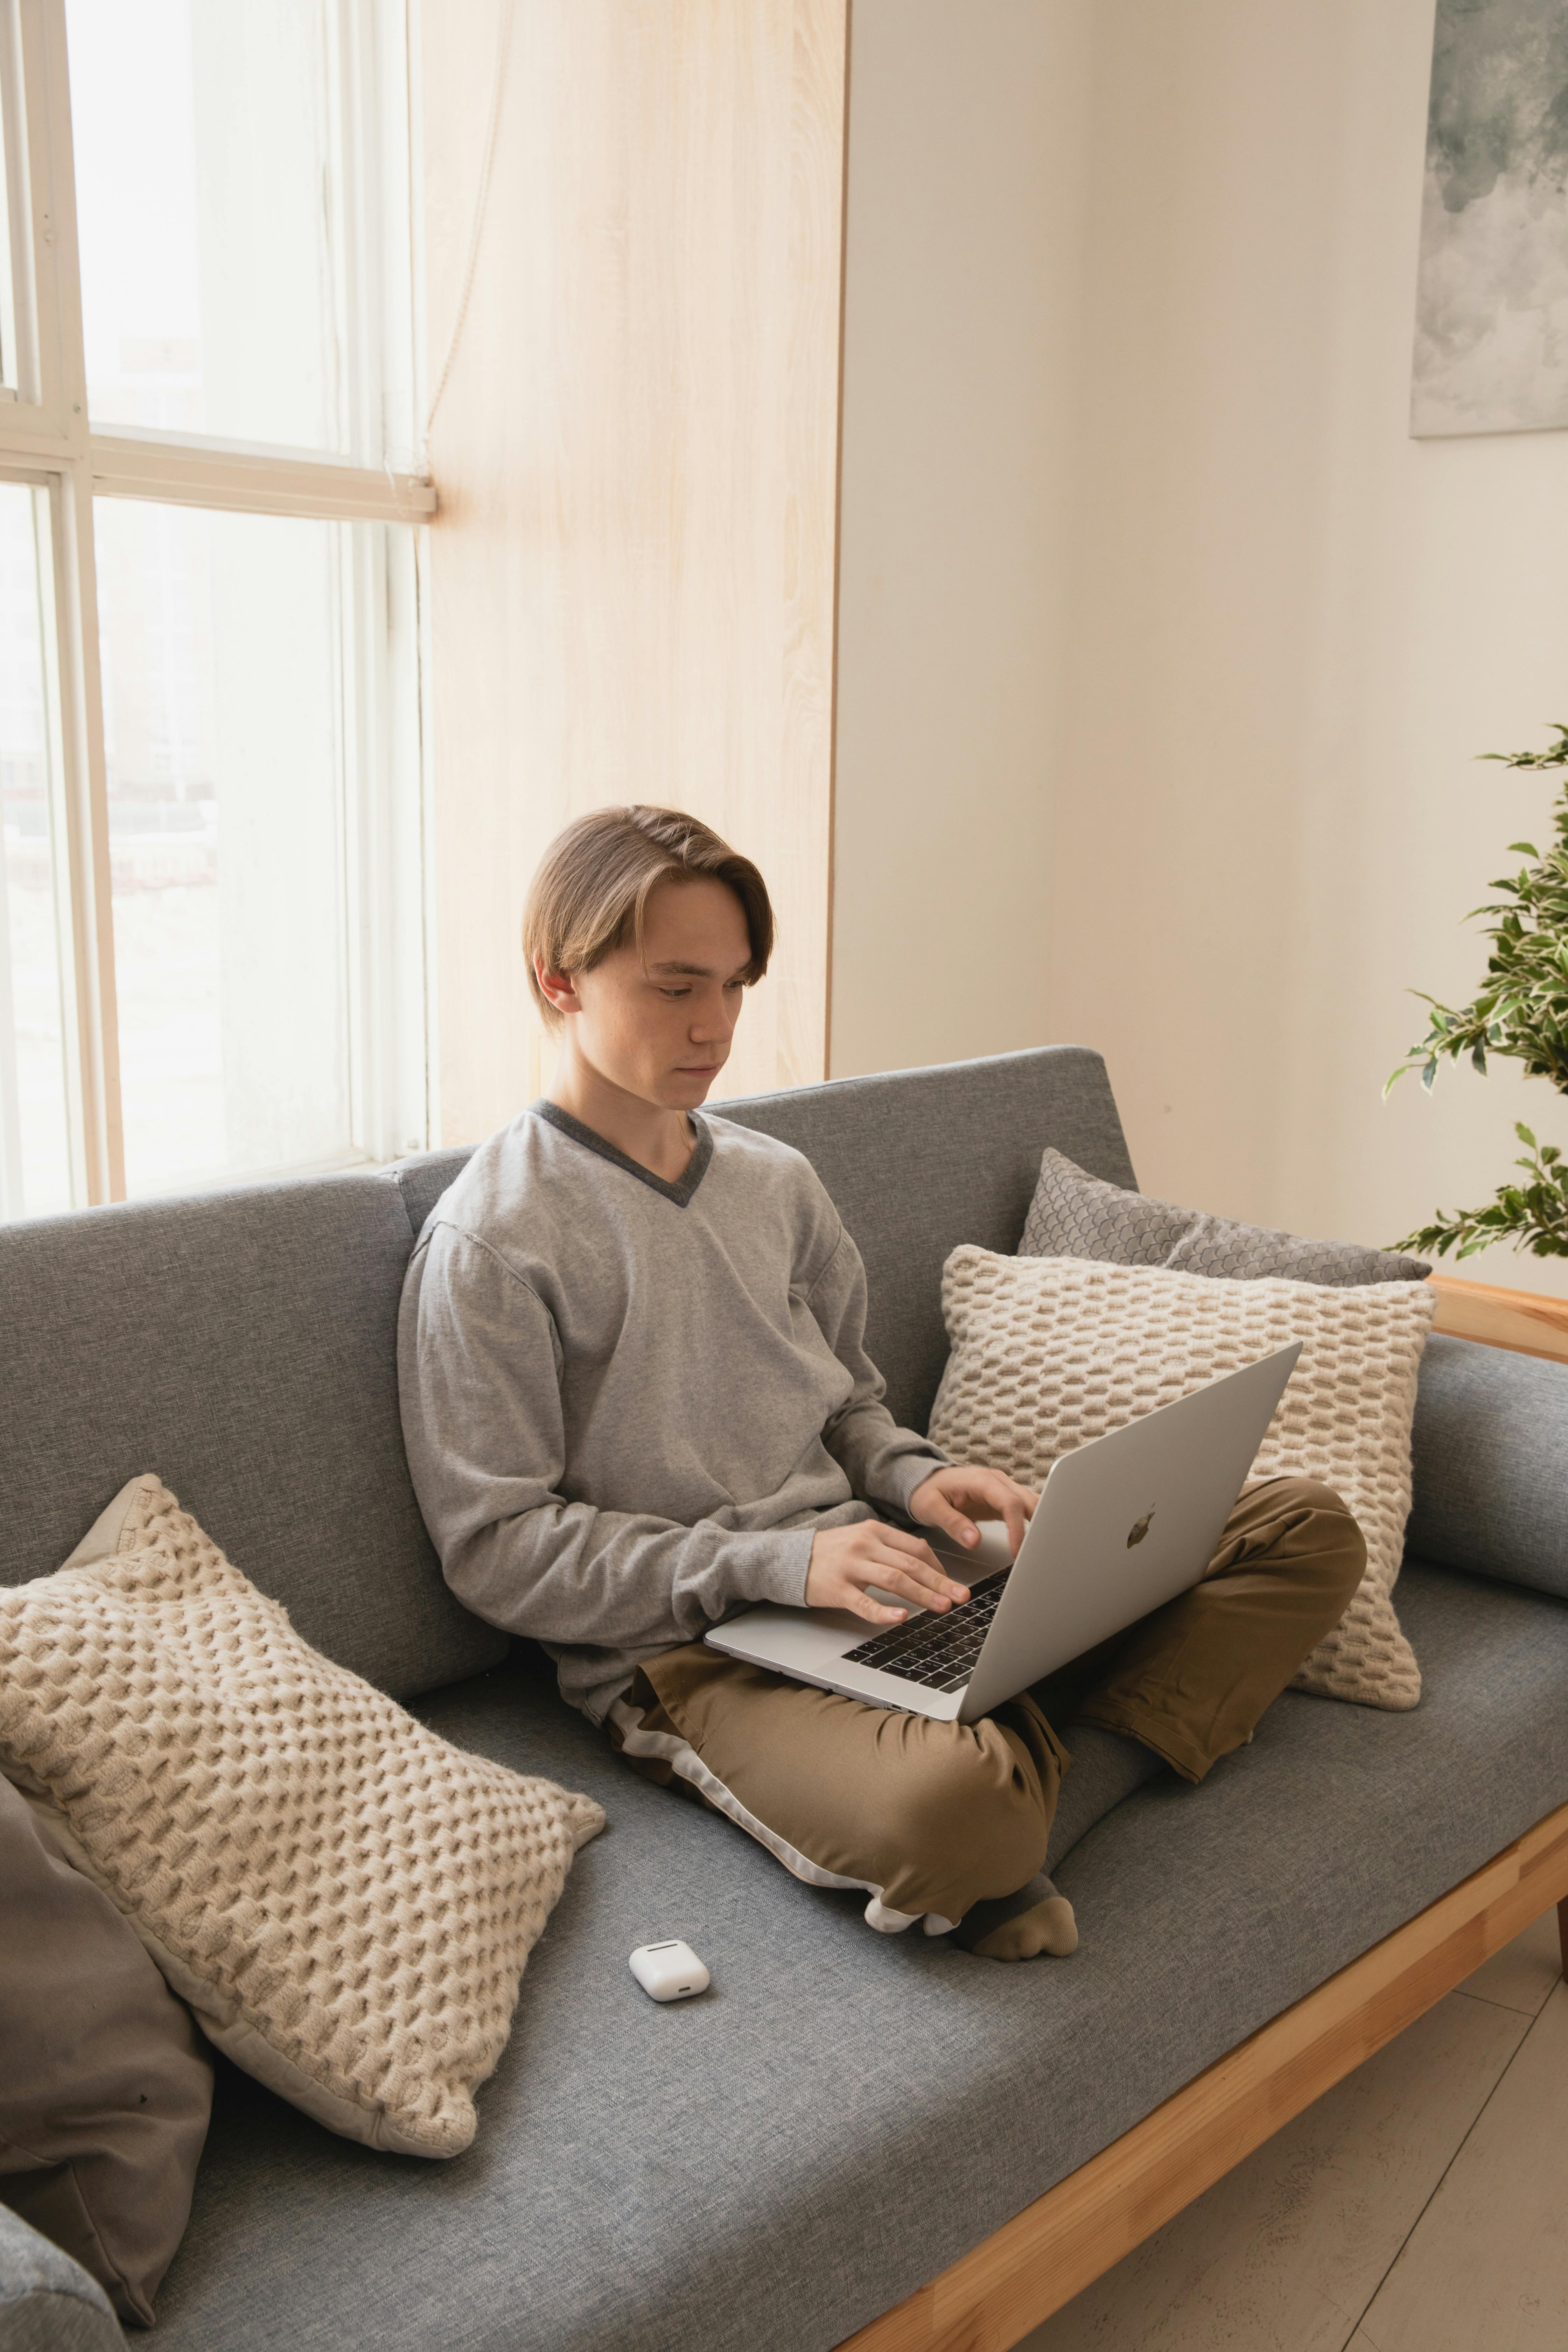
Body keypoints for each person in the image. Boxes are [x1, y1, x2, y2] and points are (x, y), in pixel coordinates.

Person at [398, 806, 1366, 1960]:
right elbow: (497, 1551)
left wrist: (921, 1480)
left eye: (735, 985)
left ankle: (1018, 1773)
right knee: (949, 1812)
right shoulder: (491, 1243)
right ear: (558, 979)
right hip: (697, 1650)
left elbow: (850, 1404)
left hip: (885, 1575)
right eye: (674, 988)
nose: (715, 1027)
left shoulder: (776, 1180)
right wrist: (778, 1563)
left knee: (1304, 1526)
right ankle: (1019, 1775)